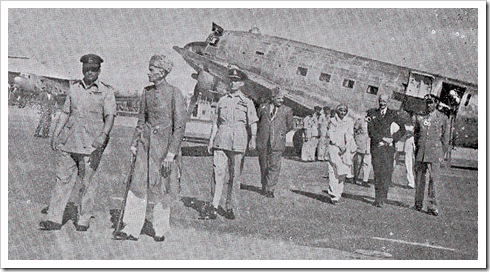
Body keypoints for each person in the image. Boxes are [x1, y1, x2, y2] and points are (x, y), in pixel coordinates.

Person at [113, 54, 187, 241]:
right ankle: (130, 228)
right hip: (145, 146)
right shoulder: (146, 92)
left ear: (162, 72)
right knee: (137, 185)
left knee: (162, 188)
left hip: (164, 150)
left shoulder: (174, 93)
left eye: (152, 70)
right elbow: (141, 120)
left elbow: (179, 126)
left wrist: (171, 153)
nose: (149, 73)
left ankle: (160, 228)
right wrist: (134, 143)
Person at [40, 54, 116, 231]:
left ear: (99, 70)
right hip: (70, 142)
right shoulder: (73, 89)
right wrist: (55, 133)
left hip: (91, 145)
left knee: (88, 183)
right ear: (82, 69)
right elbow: (66, 112)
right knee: (62, 180)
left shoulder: (106, 91)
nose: (90, 72)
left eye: (94, 69)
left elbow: (110, 116)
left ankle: (83, 219)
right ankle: (54, 218)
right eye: (87, 69)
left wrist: (103, 135)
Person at [201, 66, 258, 220]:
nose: (232, 83)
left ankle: (230, 206)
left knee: (234, 176)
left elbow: (253, 123)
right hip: (221, 139)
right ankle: (213, 205)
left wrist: (253, 139)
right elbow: (216, 123)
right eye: (231, 80)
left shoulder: (247, 102)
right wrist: (211, 140)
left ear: (241, 83)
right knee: (217, 173)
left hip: (239, 141)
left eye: (236, 81)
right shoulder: (222, 100)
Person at [413, 96, 450, 216]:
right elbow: (416, 134)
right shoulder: (421, 117)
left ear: (436, 103)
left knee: (434, 180)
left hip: (435, 153)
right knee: (419, 179)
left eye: (431, 103)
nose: (428, 105)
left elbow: (445, 138)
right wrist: (418, 149)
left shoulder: (442, 118)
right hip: (422, 151)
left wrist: (442, 154)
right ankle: (418, 203)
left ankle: (432, 206)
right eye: (427, 103)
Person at [367, 94, 406, 207]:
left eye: (384, 101)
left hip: (388, 149)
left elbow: (402, 129)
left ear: (388, 101)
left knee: (387, 173)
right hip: (377, 147)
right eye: (380, 101)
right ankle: (378, 198)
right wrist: (382, 138)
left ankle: (383, 196)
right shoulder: (372, 113)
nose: (382, 103)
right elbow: (371, 131)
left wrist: (393, 139)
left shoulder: (393, 114)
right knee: (377, 173)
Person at [256, 87, 294, 198]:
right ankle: (264, 185)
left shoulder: (287, 110)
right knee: (263, 165)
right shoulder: (263, 108)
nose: (281, 101)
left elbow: (290, 125)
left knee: (274, 166)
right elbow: (258, 122)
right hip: (263, 141)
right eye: (278, 98)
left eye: (282, 98)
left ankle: (270, 189)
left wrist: (280, 133)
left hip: (277, 142)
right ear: (272, 98)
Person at [324, 104, 356, 204]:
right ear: (337, 111)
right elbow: (331, 134)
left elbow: (349, 134)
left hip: (345, 149)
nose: (342, 113)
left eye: (344, 111)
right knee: (333, 170)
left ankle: (338, 193)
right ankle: (333, 192)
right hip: (334, 147)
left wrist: (346, 146)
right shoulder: (332, 121)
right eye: (340, 111)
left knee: (342, 172)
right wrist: (338, 144)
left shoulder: (350, 121)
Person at [353, 117, 372, 187]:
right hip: (360, 143)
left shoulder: (375, 121)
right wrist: (356, 141)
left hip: (369, 145)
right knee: (358, 163)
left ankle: (365, 180)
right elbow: (355, 130)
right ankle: (355, 177)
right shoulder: (361, 121)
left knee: (367, 163)